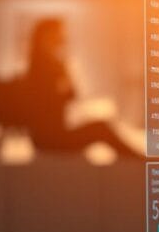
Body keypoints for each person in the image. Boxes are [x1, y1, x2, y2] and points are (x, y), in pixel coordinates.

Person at [20, 18, 139, 157]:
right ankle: (137, 160)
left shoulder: (54, 65)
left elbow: (71, 95)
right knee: (101, 128)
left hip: (53, 135)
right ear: (46, 36)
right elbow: (53, 101)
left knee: (101, 126)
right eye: (58, 34)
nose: (63, 38)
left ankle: (136, 159)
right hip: (48, 139)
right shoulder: (40, 69)